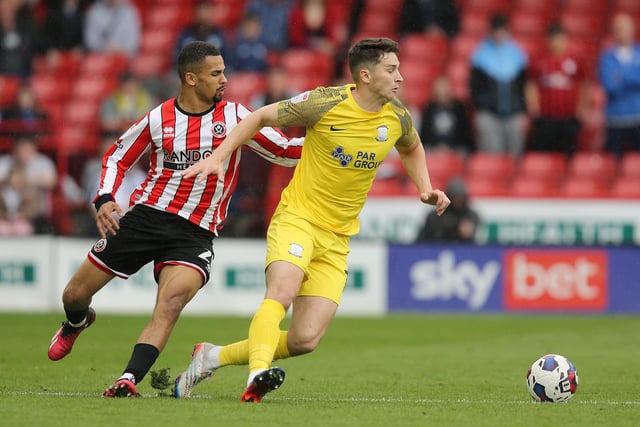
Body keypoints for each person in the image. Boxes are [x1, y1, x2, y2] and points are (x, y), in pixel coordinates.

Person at [173, 37, 450, 402]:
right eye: (391, 69)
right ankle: (257, 375)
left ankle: (211, 357)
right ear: (365, 75)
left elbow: (411, 145)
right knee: (282, 292)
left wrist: (425, 187)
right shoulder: (325, 103)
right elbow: (259, 117)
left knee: (305, 339)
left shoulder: (397, 115)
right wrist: (220, 155)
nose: (400, 77)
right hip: (298, 219)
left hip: (337, 239)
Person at [46, 41, 303, 398]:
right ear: (191, 78)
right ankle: (76, 321)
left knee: (170, 303)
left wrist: (340, 141)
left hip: (195, 233)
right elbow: (117, 157)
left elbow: (287, 152)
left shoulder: (235, 118)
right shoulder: (159, 118)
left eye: (224, 71)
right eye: (217, 73)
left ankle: (127, 379)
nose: (225, 79)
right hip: (146, 218)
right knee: (74, 294)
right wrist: (104, 198)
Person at [526, 23, 589, 155]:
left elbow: (584, 85)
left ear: (565, 40)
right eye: (553, 39)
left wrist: (581, 109)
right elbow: (531, 85)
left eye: (560, 39)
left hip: (569, 118)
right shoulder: (539, 61)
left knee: (567, 156)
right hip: (545, 118)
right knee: (544, 156)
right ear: (547, 41)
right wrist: (534, 109)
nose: (556, 43)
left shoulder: (575, 60)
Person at [470, 14, 528, 157]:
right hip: (490, 115)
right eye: (496, 31)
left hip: (513, 114)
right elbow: (475, 88)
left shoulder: (517, 55)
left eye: (502, 31)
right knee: (492, 158)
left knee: (515, 159)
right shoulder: (480, 56)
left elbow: (524, 87)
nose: (499, 34)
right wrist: (485, 105)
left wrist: (521, 110)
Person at [598, 13, 640, 156]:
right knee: (612, 162)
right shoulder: (607, 56)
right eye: (619, 29)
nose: (622, 32)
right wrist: (633, 76)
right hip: (615, 119)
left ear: (633, 30)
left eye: (625, 28)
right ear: (613, 32)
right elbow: (609, 85)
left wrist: (621, 76)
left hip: (637, 117)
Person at [415, 177, 479, 243]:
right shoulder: (435, 215)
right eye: (455, 199)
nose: (458, 202)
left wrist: (468, 233)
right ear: (449, 197)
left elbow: (474, 243)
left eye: (461, 199)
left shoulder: (471, 216)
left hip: (462, 250)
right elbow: (423, 240)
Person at [420, 76, 473, 154]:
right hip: (433, 149)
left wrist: (450, 148)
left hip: (456, 148)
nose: (443, 96)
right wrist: (438, 147)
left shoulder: (460, 108)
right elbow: (425, 136)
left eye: (445, 93)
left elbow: (465, 135)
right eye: (440, 93)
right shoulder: (429, 109)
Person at [173, 1, 226, 66]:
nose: (204, 15)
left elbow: (227, 59)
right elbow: (177, 58)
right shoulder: (185, 34)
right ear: (195, 12)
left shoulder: (219, 34)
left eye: (207, 10)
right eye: (201, 10)